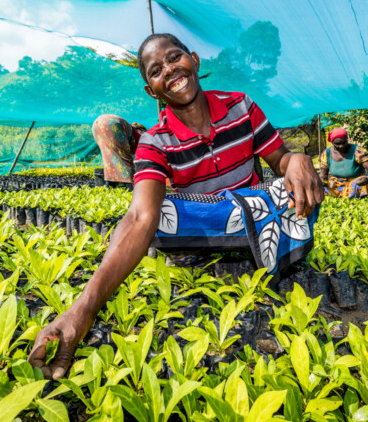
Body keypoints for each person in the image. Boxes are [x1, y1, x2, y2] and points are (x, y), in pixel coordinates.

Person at [29, 33, 324, 379]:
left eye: (174, 58)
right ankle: (242, 244)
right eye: (156, 71)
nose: (169, 70)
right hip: (212, 221)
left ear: (194, 60)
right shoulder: (154, 142)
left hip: (251, 210)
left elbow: (281, 160)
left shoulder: (241, 107)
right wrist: (83, 308)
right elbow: (141, 215)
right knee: (161, 217)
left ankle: (241, 239)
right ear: (151, 90)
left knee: (300, 187)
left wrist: (298, 160)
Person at [320, 128, 368, 198]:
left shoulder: (357, 151)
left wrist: (367, 178)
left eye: (344, 142)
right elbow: (323, 173)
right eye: (337, 144)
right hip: (337, 182)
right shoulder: (327, 153)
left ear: (347, 140)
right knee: (323, 187)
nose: (341, 146)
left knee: (358, 184)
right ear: (332, 143)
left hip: (356, 181)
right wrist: (321, 181)